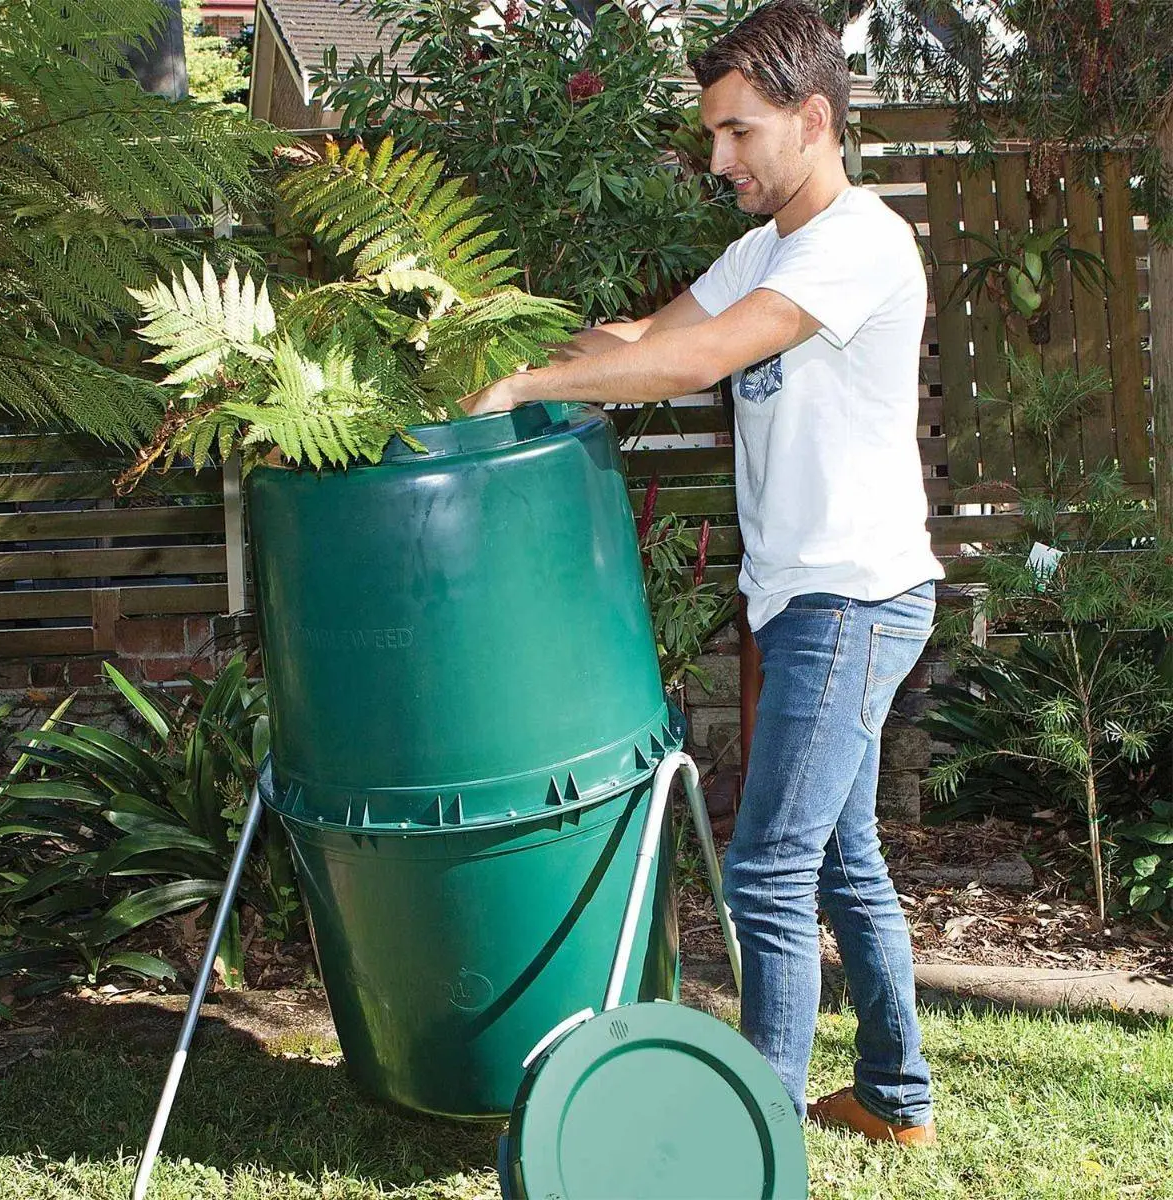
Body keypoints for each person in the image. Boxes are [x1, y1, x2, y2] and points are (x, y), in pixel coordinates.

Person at [461, 0, 942, 1146]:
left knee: (768, 870)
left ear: (812, 120)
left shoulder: (860, 241)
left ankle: (754, 1142)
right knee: (842, 856)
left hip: (852, 597)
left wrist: (527, 391)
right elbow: (649, 336)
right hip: (811, 597)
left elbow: (708, 356)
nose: (718, 159)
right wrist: (508, 349)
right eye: (712, 134)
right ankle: (896, 1098)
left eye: (737, 133)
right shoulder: (765, 249)